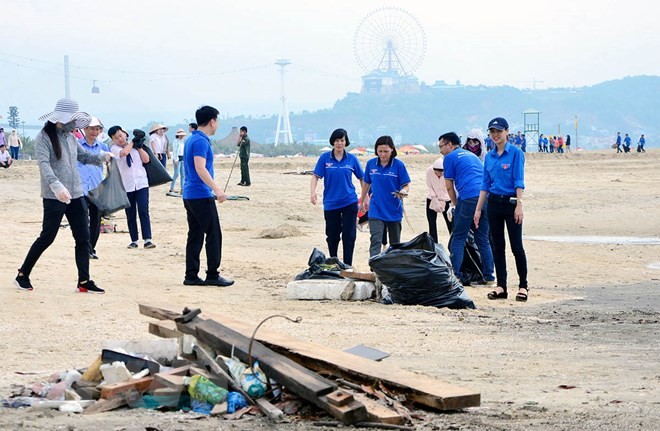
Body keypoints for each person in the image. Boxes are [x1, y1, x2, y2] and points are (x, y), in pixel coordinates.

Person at [15, 97, 112, 293]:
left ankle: (84, 281)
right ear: (61, 118)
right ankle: (23, 274)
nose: (75, 124)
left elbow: (84, 156)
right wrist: (57, 186)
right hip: (54, 196)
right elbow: (44, 165)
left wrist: (102, 157)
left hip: (76, 194)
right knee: (48, 236)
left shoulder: (70, 137)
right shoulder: (43, 138)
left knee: (83, 237)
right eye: (72, 120)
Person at [475, 117, 528, 302]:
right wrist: (478, 209)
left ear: (507, 131)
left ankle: (523, 286)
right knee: (497, 246)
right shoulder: (489, 157)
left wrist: (519, 205)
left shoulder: (516, 153)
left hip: (512, 202)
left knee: (516, 246)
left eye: (499, 131)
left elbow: (519, 181)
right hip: (493, 204)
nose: (495, 135)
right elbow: (485, 184)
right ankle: (501, 286)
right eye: (492, 132)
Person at [182, 105, 234, 287]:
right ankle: (212, 274)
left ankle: (191, 275)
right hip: (199, 194)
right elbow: (200, 168)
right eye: (217, 121)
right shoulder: (201, 141)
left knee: (195, 234)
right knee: (214, 234)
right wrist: (217, 190)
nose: (218, 125)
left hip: (189, 194)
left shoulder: (192, 139)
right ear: (212, 121)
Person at [439, 132, 495, 286]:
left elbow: (449, 187)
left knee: (458, 236)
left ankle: (454, 276)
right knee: (482, 238)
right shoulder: (472, 156)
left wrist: (455, 205)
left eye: (441, 146)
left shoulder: (449, 158)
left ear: (450, 145)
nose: (440, 151)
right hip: (485, 196)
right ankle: (489, 277)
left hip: (469, 197)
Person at [310, 128, 364, 266]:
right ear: (332, 142)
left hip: (349, 202)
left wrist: (365, 197)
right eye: (337, 140)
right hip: (331, 203)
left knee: (349, 235)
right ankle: (333, 262)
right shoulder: (325, 158)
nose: (339, 143)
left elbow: (362, 178)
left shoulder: (352, 159)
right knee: (332, 236)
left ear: (346, 142)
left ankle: (348, 265)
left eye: (342, 140)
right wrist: (313, 192)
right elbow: (316, 176)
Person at [360, 135, 410, 258]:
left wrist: (403, 191)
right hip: (376, 208)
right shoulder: (371, 164)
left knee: (395, 243)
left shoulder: (399, 165)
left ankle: (393, 267)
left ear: (392, 149)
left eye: (386, 151)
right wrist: (362, 201)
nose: (383, 154)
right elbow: (366, 183)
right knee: (375, 240)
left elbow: (406, 185)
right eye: (380, 151)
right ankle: (374, 267)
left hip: (394, 209)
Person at [109, 126, 156, 249]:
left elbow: (146, 160)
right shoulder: (114, 148)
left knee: (143, 210)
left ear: (125, 133)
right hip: (127, 185)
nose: (119, 139)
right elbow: (124, 153)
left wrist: (139, 147)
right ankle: (134, 240)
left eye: (120, 135)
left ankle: (147, 239)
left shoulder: (135, 146)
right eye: (116, 138)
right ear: (112, 140)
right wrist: (132, 143)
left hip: (141, 183)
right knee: (130, 213)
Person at [77, 116, 110, 259]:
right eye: (92, 129)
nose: (94, 132)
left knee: (96, 221)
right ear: (85, 129)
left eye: (97, 129)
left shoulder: (103, 148)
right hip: (80, 188)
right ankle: (85, 248)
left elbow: (109, 167)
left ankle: (91, 248)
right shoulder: (77, 145)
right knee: (83, 221)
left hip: (97, 188)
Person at [425, 156, 451, 243]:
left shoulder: (448, 171)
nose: (439, 174)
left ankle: (453, 246)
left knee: (451, 224)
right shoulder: (429, 171)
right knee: (432, 225)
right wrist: (435, 199)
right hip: (432, 199)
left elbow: (451, 187)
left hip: (446, 199)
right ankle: (434, 246)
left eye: (441, 173)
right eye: (437, 172)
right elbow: (429, 186)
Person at [168, 128, 186, 195]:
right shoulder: (176, 141)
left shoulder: (182, 141)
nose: (182, 136)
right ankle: (171, 188)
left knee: (183, 174)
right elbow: (175, 151)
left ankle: (182, 189)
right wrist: (175, 159)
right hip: (177, 158)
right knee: (176, 174)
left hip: (182, 158)